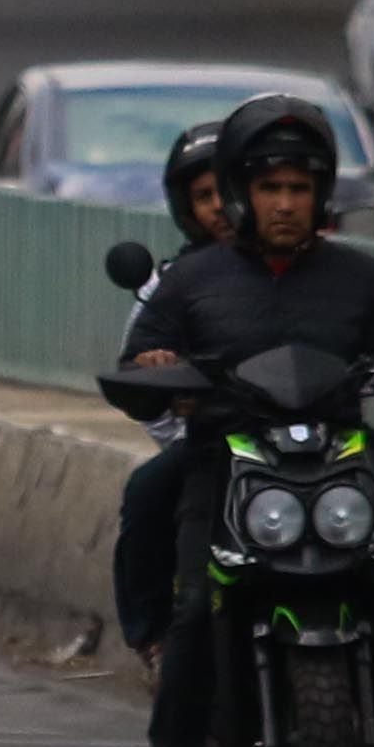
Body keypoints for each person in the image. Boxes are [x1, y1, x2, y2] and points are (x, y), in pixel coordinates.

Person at [118, 94, 374, 747]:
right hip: (228, 456)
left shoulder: (358, 275)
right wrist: (154, 360)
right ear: (241, 193)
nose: (285, 204)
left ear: (321, 195)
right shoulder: (191, 280)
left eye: (299, 189)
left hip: (337, 451)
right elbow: (136, 358)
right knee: (197, 602)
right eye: (270, 188)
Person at [108, 120, 231, 666]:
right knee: (148, 491)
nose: (221, 208)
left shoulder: (328, 268)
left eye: (230, 190)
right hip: (218, 445)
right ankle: (156, 638)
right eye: (205, 197)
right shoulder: (175, 283)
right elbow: (136, 369)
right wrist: (167, 386)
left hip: (319, 441)